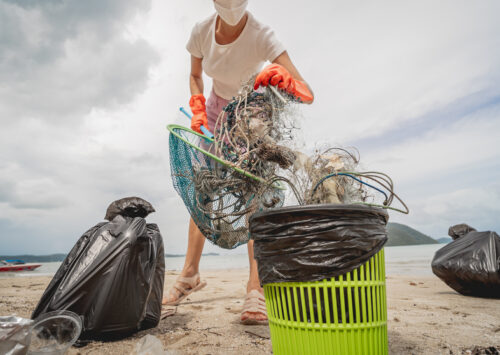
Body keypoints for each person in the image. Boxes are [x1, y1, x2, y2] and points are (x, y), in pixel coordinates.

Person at [163, 0, 314, 324]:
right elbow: (194, 75)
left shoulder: (263, 36)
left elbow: (307, 93)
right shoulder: (201, 31)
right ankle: (189, 275)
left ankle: (255, 289)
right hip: (216, 115)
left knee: (255, 199)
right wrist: (197, 103)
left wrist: (282, 78)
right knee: (205, 192)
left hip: (253, 115)